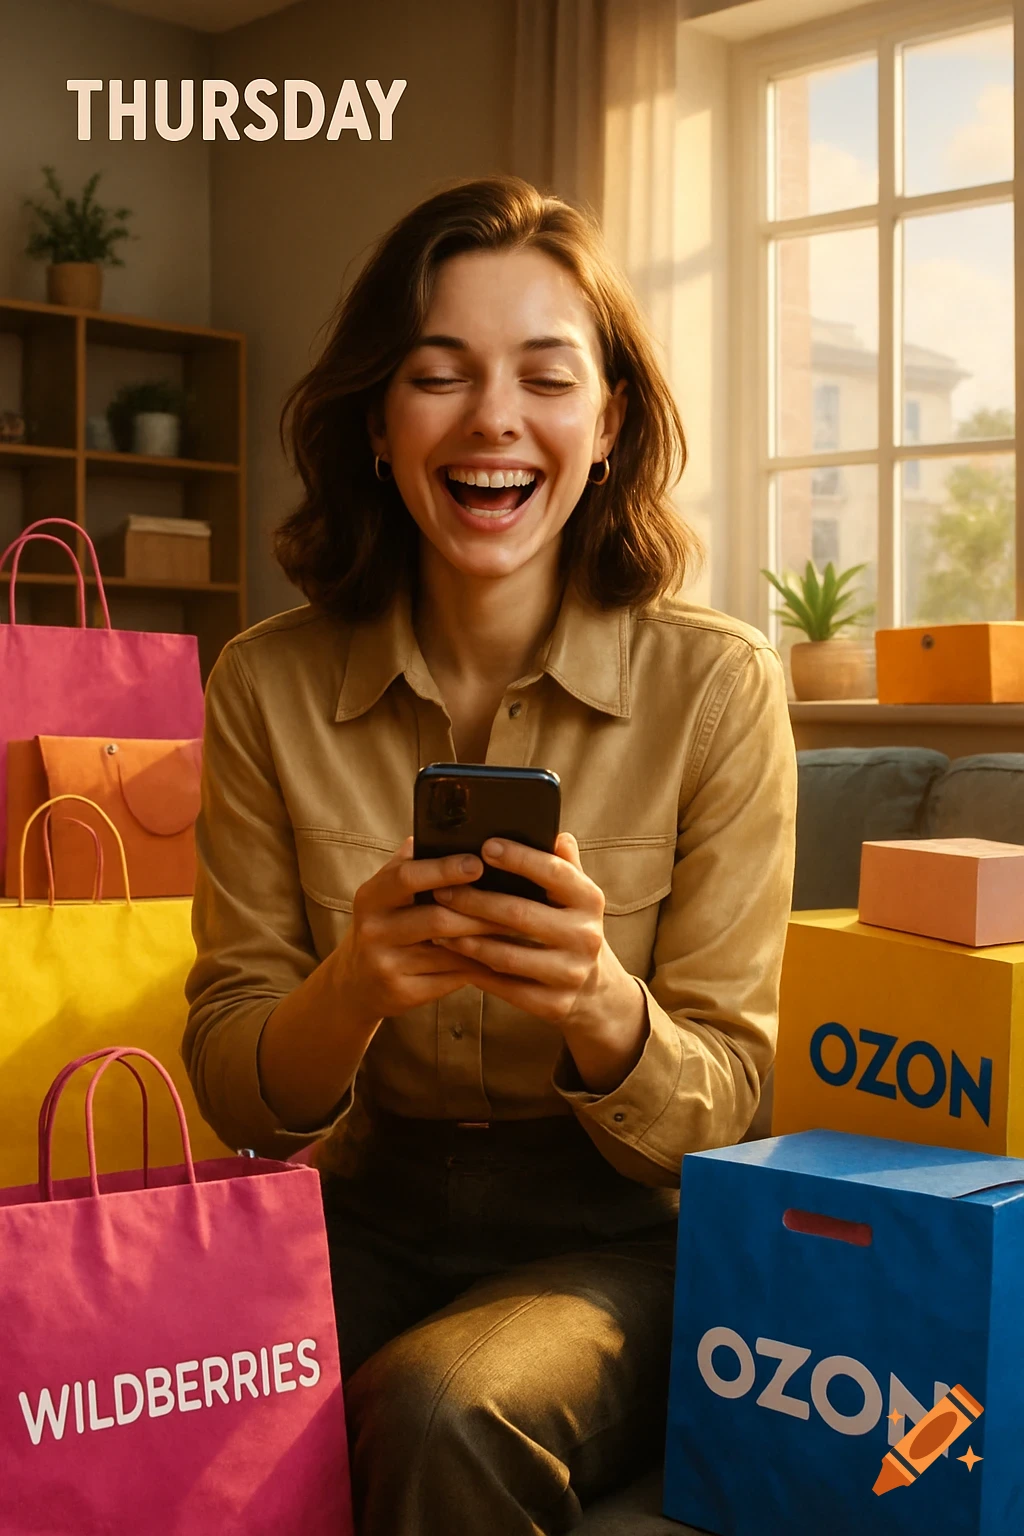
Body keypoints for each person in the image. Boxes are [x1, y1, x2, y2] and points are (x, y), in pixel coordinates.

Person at [183, 173, 797, 1536]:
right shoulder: (262, 683)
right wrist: (352, 985)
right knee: (150, 1374)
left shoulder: (721, 687)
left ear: (609, 419)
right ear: (380, 420)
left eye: (545, 375)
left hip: (618, 1239)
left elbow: (738, 1101)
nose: (494, 419)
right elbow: (231, 1072)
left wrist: (596, 1005)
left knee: (445, 1406)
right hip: (359, 1204)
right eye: (438, 374)